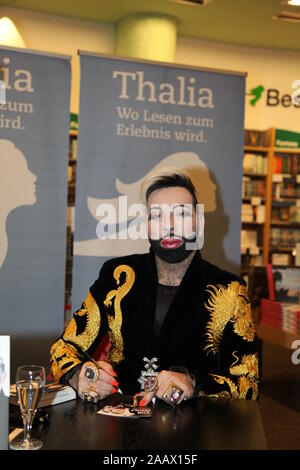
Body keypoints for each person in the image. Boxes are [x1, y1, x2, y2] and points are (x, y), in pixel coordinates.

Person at [50, 167, 259, 406]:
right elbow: (64, 347)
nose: (169, 225)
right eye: (156, 216)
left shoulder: (230, 290)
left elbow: (248, 385)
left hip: (197, 430)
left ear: (199, 222)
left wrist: (194, 383)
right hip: (122, 425)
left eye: (181, 214)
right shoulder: (117, 276)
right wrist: (78, 375)